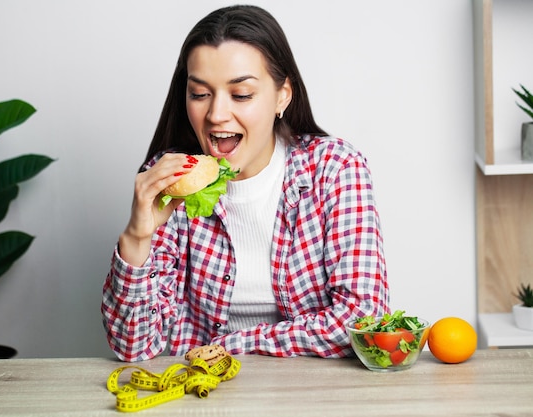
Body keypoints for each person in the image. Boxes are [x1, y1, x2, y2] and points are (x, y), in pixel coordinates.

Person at [102, 4, 389, 362]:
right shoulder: (169, 178)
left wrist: (231, 346)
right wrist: (136, 237)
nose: (216, 114)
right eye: (200, 94)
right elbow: (134, 347)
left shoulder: (334, 169)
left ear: (282, 96)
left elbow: (362, 321)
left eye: (241, 95)